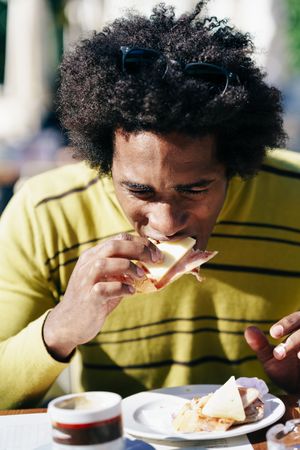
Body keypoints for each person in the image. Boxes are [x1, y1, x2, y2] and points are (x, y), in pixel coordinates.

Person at [0, 1, 299, 409]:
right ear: (103, 163)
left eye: (194, 189)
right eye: (139, 192)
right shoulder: (44, 214)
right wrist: (60, 328)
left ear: (237, 163)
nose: (167, 223)